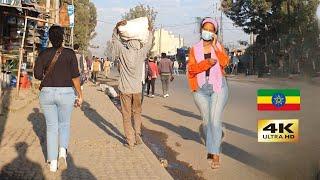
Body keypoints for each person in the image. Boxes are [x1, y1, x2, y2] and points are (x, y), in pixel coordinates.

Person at [34, 25, 83, 172]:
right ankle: (62, 152)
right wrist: (80, 95)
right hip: (66, 94)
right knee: (64, 124)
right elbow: (75, 77)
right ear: (63, 38)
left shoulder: (43, 53)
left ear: (49, 38)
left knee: (51, 128)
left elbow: (37, 75)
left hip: (47, 94)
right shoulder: (69, 53)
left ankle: (53, 163)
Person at [188, 17, 229, 169]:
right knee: (207, 122)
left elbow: (225, 63)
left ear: (215, 33)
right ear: (201, 30)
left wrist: (215, 47)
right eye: (206, 29)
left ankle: (215, 154)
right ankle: (214, 139)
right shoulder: (194, 49)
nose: (208, 32)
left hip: (218, 86)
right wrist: (206, 64)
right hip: (200, 89)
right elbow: (192, 69)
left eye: (212, 30)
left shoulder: (218, 47)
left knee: (214, 120)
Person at [112, 20, 153, 148]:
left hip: (125, 89)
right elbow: (149, 42)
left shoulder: (123, 51)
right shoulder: (141, 53)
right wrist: (150, 29)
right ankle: (138, 135)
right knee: (137, 113)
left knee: (126, 114)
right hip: (137, 89)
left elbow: (114, 39)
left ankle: (130, 141)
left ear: (128, 43)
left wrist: (116, 27)